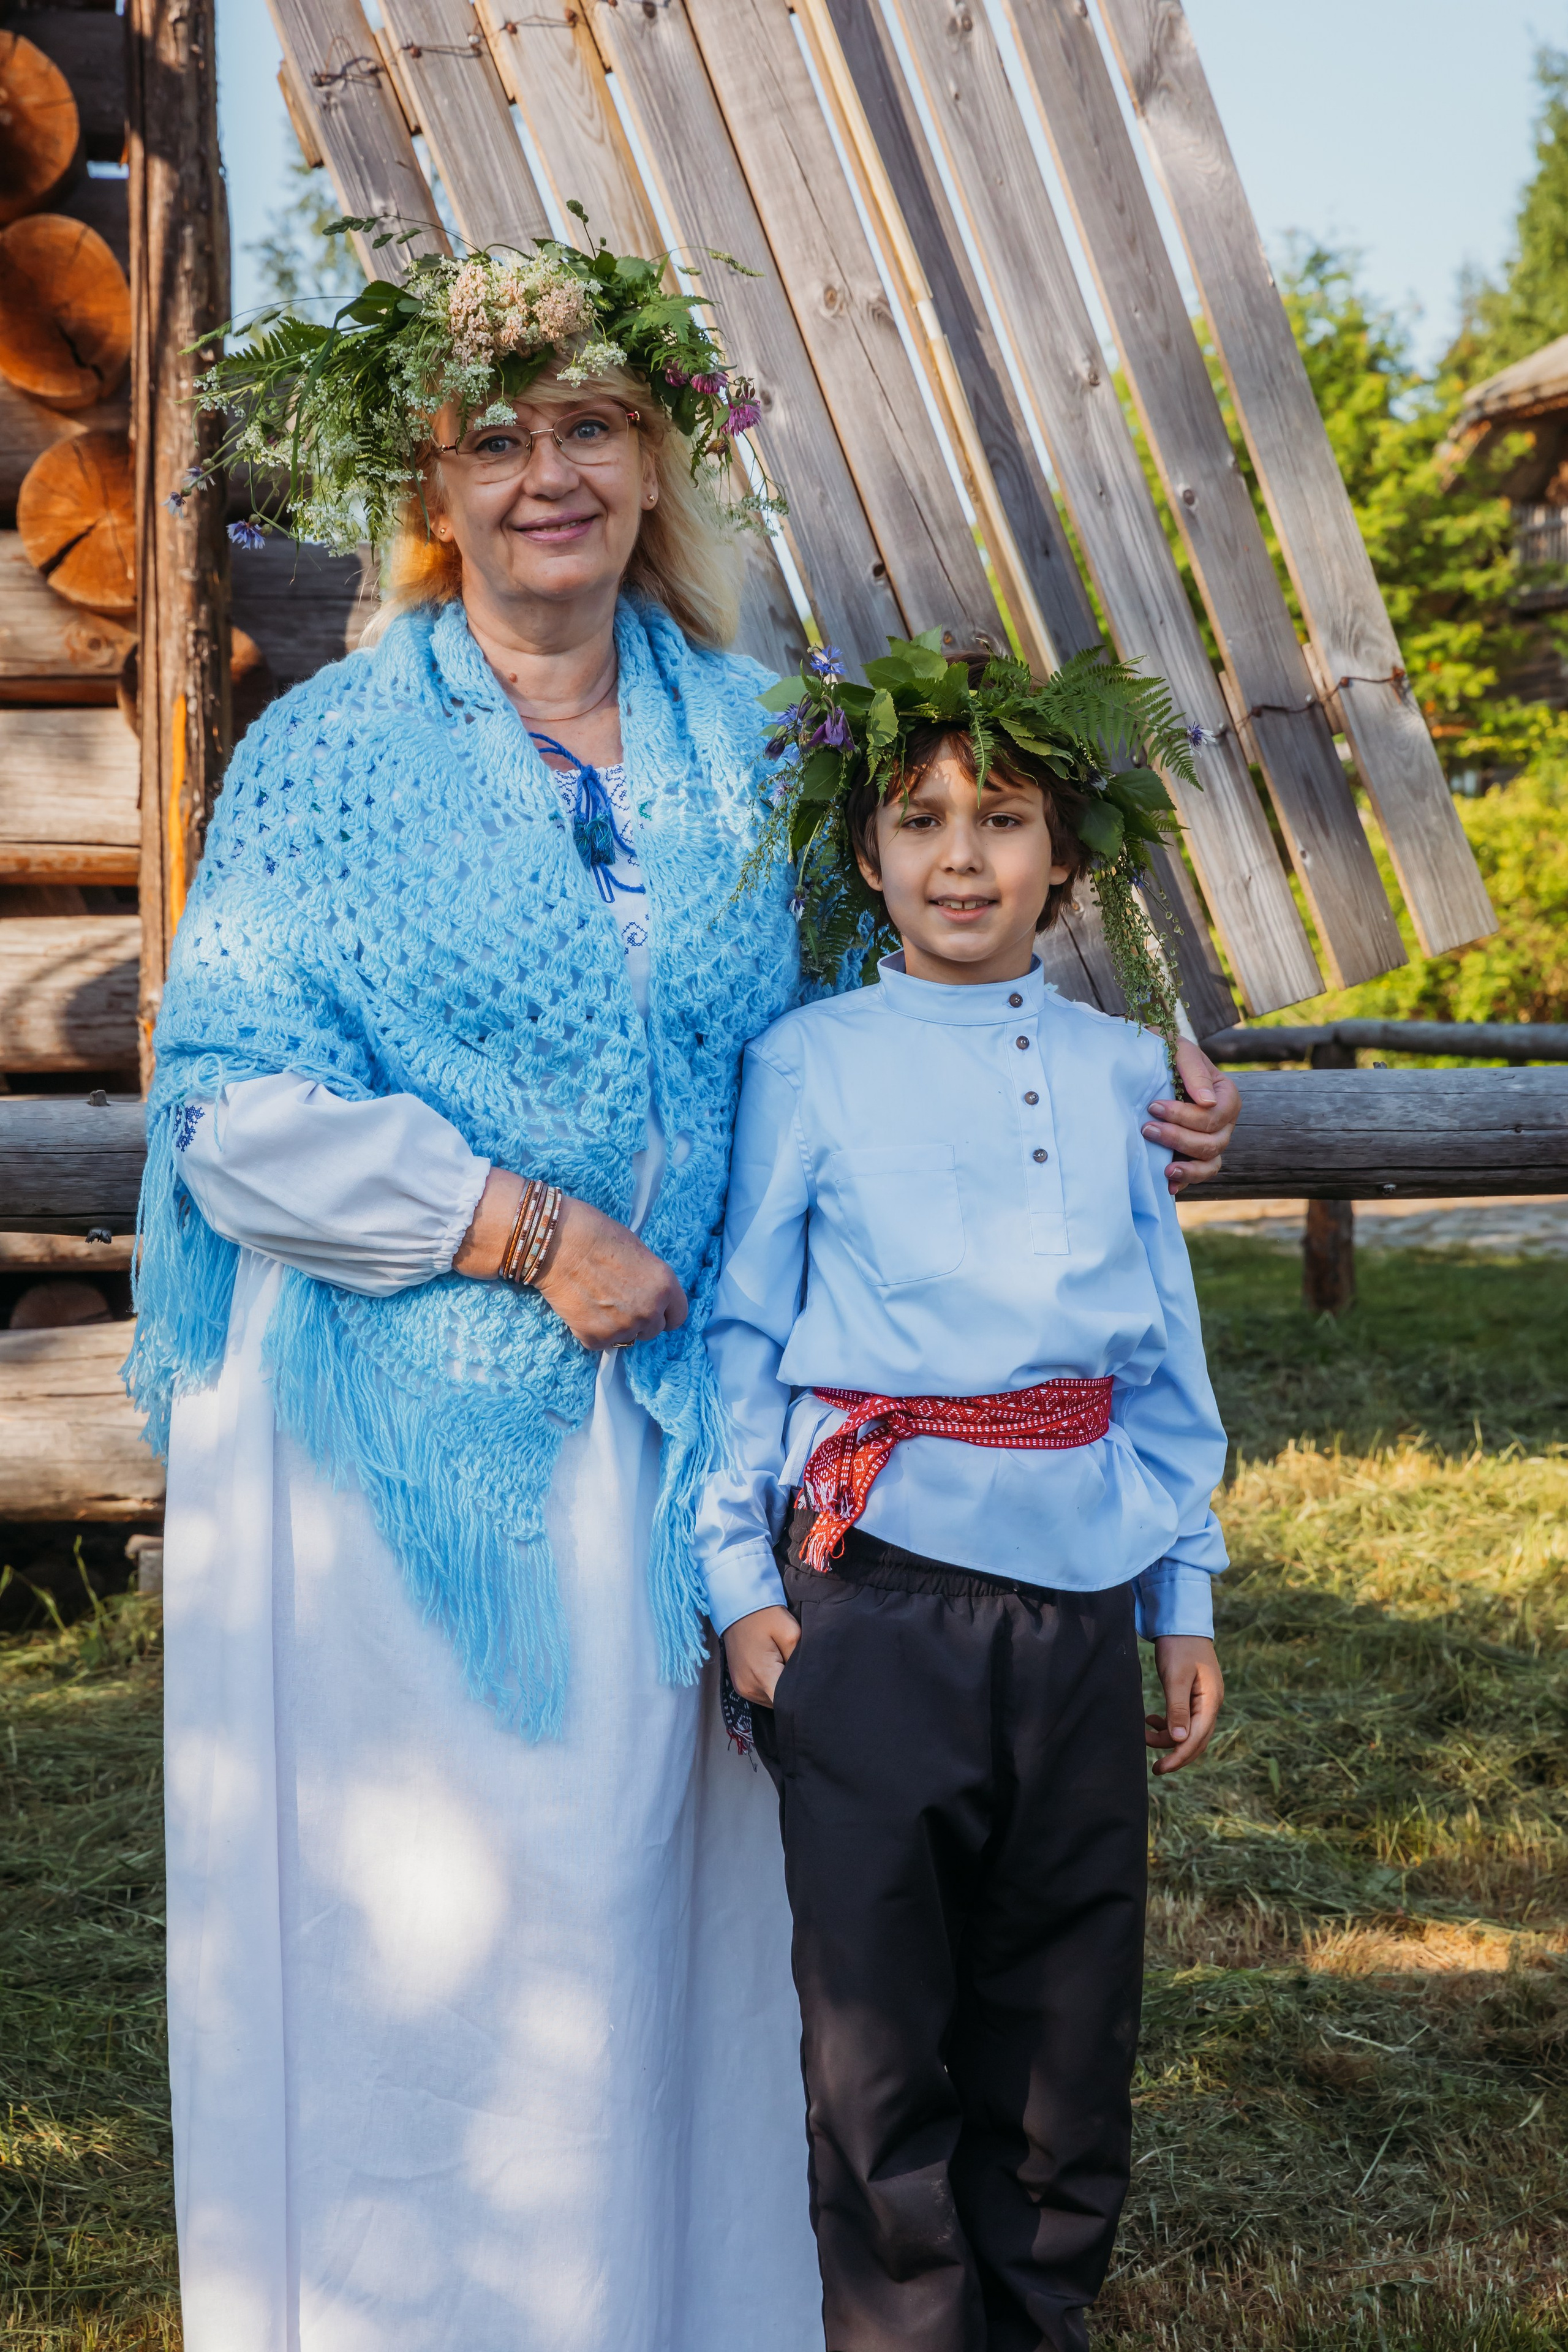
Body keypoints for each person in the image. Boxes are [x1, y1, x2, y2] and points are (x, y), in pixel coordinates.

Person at [129, 236, 1239, 2352]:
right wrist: (522, 1232)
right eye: (499, 439)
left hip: (722, 1449)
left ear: (656, 469)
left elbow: (899, 1027)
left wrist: (1126, 1127)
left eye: (594, 430)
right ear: (429, 490)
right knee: (456, 1924)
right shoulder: (331, 753)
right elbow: (229, 1111)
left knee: (699, 1939)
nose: (549, 474)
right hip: (407, 1453)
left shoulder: (768, 743)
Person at [702, 641, 1230, 2352]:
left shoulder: (1121, 1066)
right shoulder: (813, 1061)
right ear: (866, 855)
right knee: (880, 2044)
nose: (958, 856)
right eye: (919, 819)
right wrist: (736, 1582)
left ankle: (1042, 2320)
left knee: (1066, 2026)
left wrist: (1185, 1587)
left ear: (1064, 857)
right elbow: (748, 1331)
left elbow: (1160, 1348)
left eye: (1003, 819)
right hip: (877, 1601)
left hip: (1075, 1608)